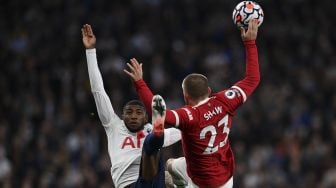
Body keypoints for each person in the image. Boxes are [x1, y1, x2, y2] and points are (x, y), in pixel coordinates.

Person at [124, 19, 260, 188]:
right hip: (225, 178)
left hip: (201, 184)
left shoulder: (188, 117)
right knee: (171, 165)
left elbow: (158, 114)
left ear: (186, 96)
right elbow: (253, 78)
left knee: (170, 170)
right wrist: (250, 42)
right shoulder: (225, 101)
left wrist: (139, 83)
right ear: (209, 91)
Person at [81, 24, 181, 188]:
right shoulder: (113, 125)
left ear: (146, 116)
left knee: (164, 152)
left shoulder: (148, 128)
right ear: (122, 115)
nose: (133, 115)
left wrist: (210, 112)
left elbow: (186, 127)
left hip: (153, 180)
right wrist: (90, 51)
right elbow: (98, 90)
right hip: (131, 185)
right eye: (129, 112)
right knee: (155, 144)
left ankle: (176, 178)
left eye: (138, 112)